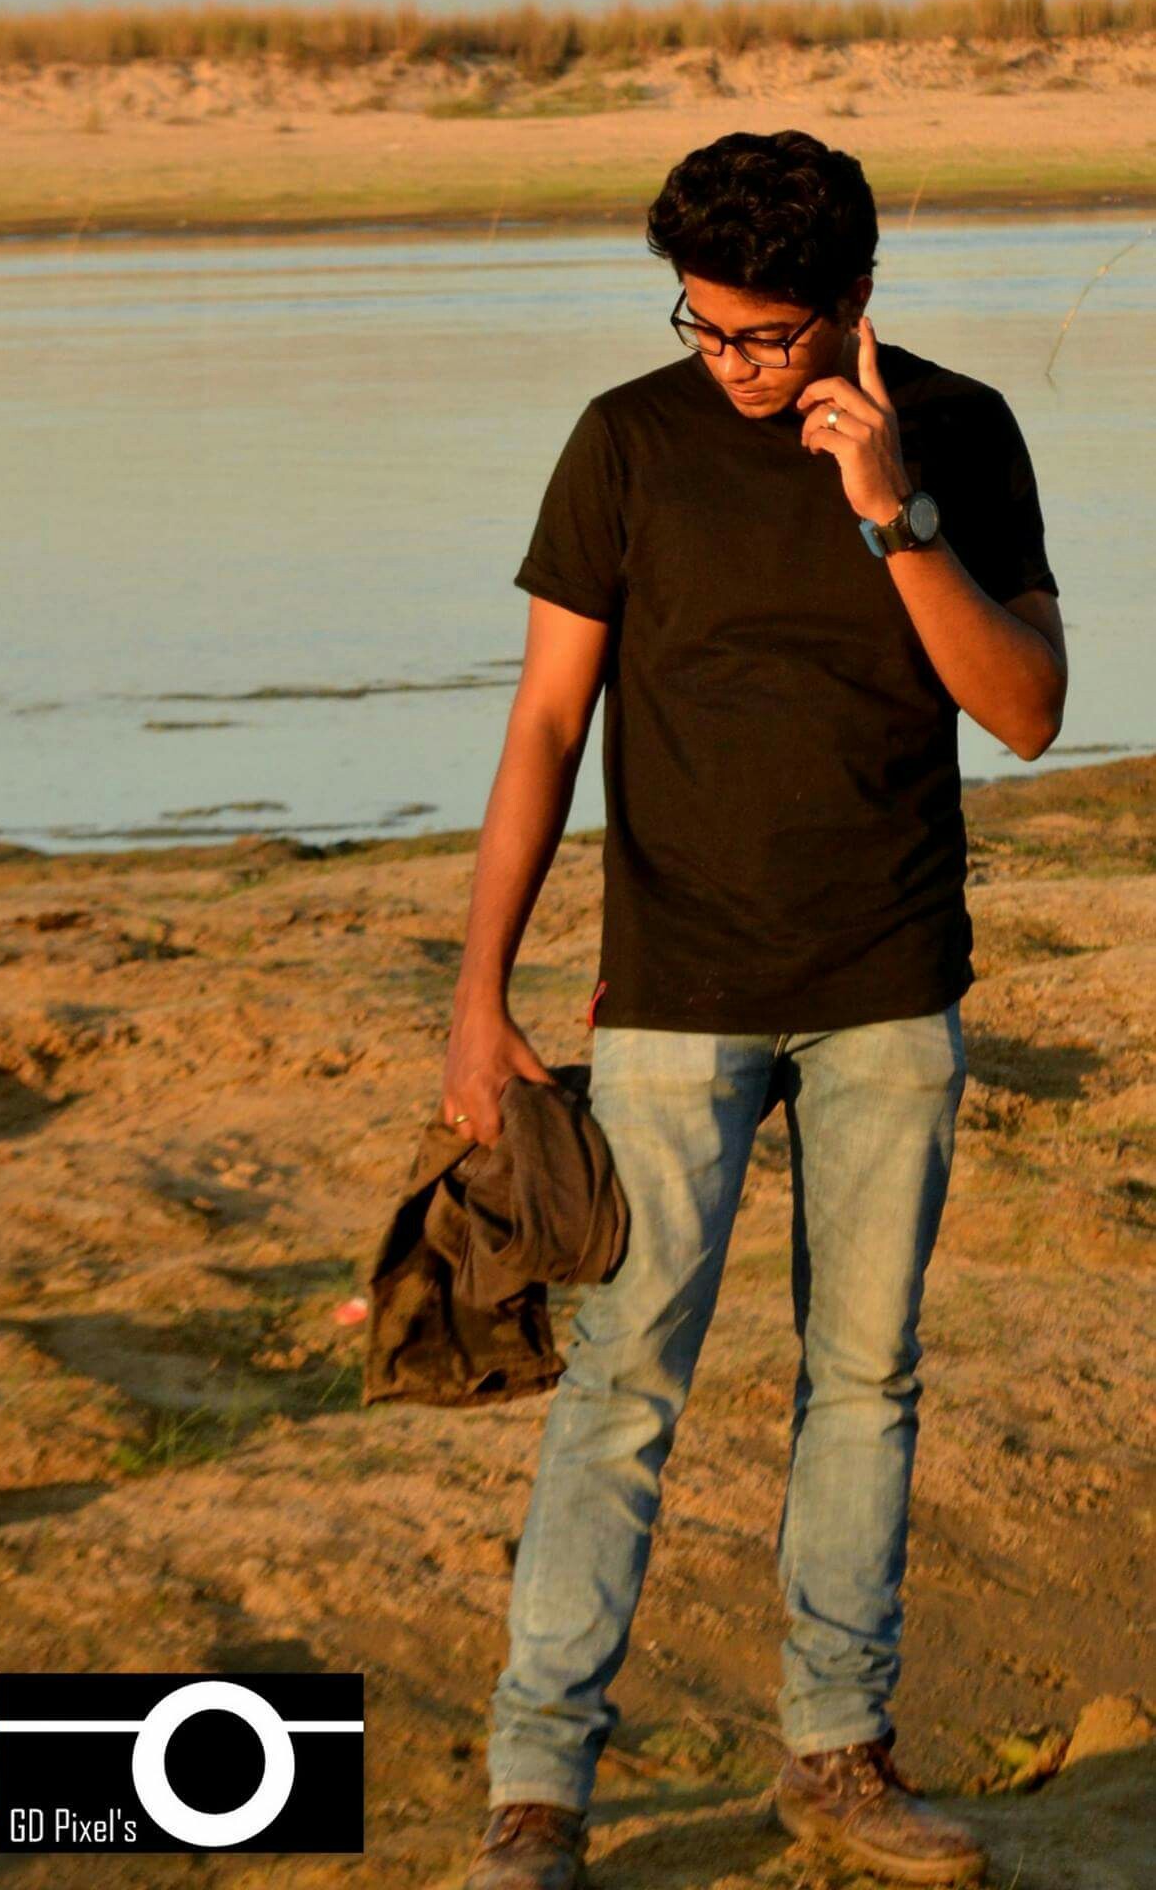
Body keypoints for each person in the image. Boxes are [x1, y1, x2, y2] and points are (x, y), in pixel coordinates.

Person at [447, 129, 1066, 1888]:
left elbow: (1027, 709)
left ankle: (840, 1759)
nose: (727, 362)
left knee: (864, 1383)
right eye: (701, 325)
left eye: (762, 334)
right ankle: (538, 1796)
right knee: (621, 1386)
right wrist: (477, 996)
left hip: (890, 990)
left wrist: (892, 513)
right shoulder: (626, 441)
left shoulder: (960, 434)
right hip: (676, 992)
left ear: (854, 300)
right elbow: (545, 727)